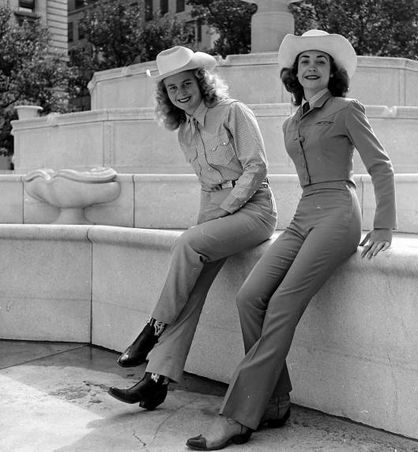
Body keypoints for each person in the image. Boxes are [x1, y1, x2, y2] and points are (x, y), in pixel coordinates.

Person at [186, 29, 397, 450]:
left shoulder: (346, 109)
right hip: (303, 215)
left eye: (321, 61)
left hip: (338, 213)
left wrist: (384, 225)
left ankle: (238, 416)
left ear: (332, 71)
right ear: (294, 72)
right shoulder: (289, 122)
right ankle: (275, 401)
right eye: (305, 61)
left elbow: (381, 166)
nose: (312, 67)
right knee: (250, 297)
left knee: (282, 303)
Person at [108, 46, 277, 410]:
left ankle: (152, 329)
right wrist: (207, 222)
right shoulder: (185, 132)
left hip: (254, 212)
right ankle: (155, 380)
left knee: (187, 245)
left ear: (201, 82)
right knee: (192, 290)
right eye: (172, 88)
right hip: (218, 215)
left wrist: (224, 212)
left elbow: (257, 167)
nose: (181, 92)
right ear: (166, 95)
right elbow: (206, 187)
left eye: (187, 83)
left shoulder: (233, 112)